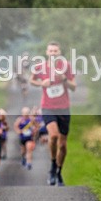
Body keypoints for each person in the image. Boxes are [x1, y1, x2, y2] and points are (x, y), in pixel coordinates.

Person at [30, 41, 76, 186]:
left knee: (62, 145)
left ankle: (59, 171)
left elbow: (73, 87)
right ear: (47, 52)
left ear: (59, 52)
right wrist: (41, 84)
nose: (53, 53)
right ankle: (52, 165)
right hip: (47, 107)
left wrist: (64, 79)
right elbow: (32, 80)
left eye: (55, 51)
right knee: (54, 135)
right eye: (51, 51)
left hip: (64, 108)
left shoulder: (66, 66)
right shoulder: (40, 67)